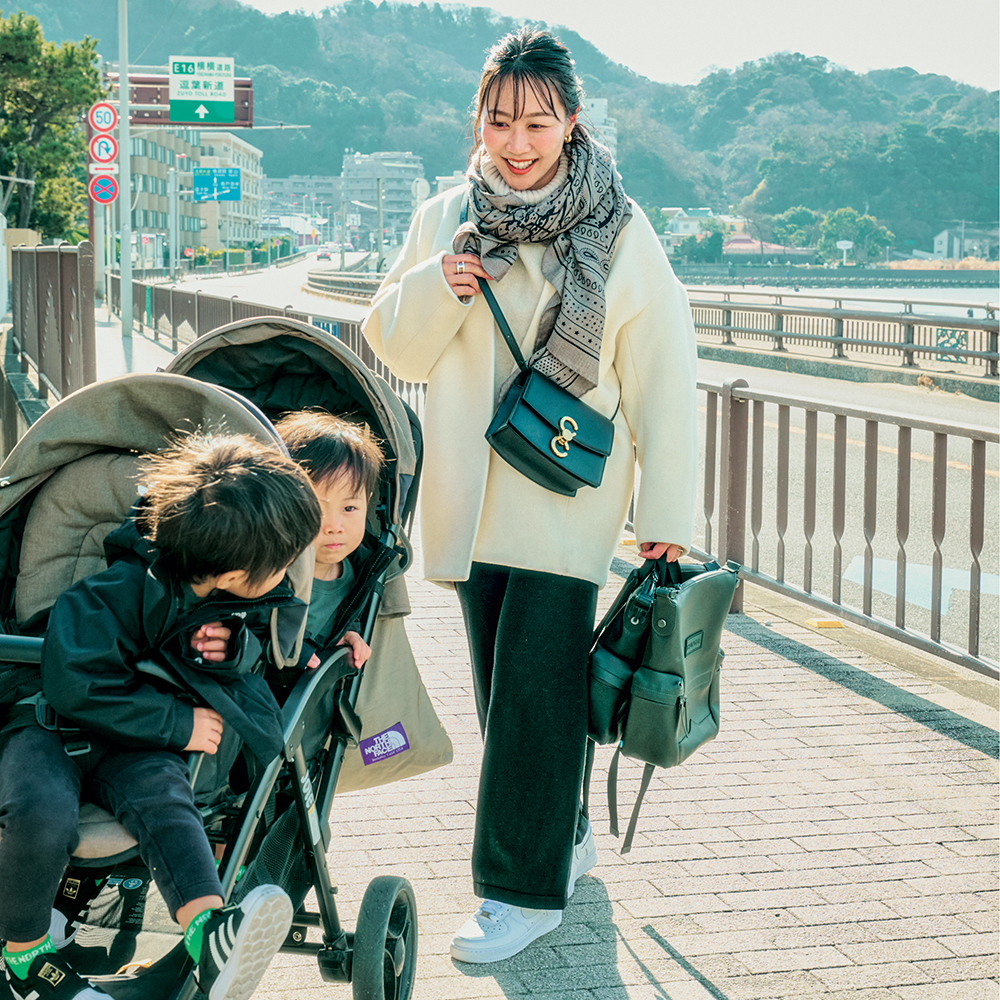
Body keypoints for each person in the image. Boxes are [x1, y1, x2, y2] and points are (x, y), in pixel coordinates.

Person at [363, 27, 698, 963]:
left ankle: (520, 892)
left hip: (565, 497)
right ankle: (565, 835)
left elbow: (665, 373)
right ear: (478, 119)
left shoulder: (620, 229)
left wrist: (666, 517)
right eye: (501, 120)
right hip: (471, 496)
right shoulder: (445, 219)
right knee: (512, 694)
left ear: (572, 121)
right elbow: (392, 345)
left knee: (531, 695)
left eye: (537, 122)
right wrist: (440, 285)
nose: (517, 142)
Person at [0, 433, 322, 1000]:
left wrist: (238, 649)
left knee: (168, 805)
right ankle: (23, 953)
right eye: (282, 564)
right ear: (235, 570)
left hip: (134, 745)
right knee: (38, 812)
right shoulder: (113, 592)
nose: (285, 574)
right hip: (49, 724)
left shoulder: (237, 604)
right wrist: (178, 723)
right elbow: (77, 684)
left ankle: (209, 932)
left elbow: (270, 639)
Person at [274, 410, 386, 670]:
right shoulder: (269, 574)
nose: (335, 527)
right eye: (316, 510)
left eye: (349, 508)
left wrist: (348, 632)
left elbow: (343, 615)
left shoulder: (356, 571)